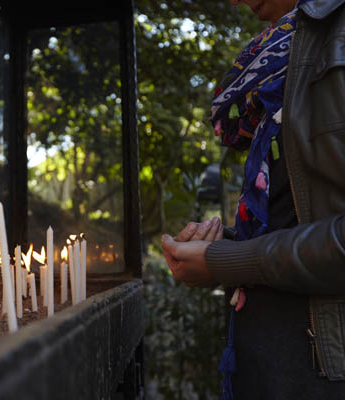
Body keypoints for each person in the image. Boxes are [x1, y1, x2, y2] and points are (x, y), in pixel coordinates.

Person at [161, 0, 345, 399]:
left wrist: (229, 262)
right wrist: (224, 246)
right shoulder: (284, 59)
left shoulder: (335, 43)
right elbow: (300, 217)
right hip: (265, 365)